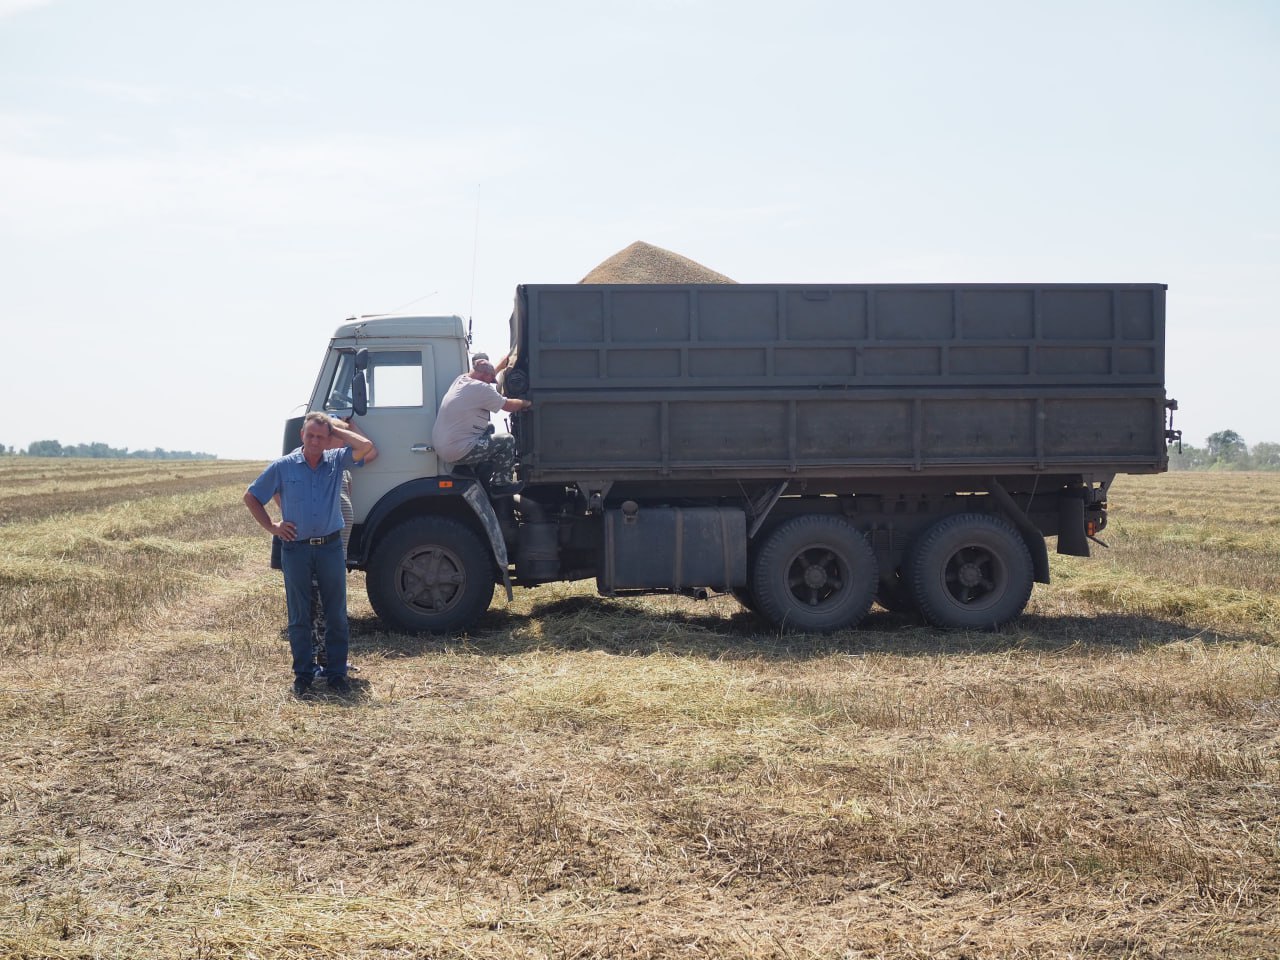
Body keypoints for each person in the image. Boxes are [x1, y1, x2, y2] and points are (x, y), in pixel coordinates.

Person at [244, 412, 377, 698]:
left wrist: (338, 432)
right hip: (296, 549)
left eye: (321, 436)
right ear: (301, 436)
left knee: (336, 614)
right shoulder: (283, 466)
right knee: (300, 615)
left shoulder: (336, 461)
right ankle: (303, 675)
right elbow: (252, 496)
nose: (315, 441)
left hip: (330, 547)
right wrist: (272, 526)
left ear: (328, 438)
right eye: (310, 435)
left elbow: (365, 446)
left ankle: (336, 674)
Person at [432, 351, 531, 496]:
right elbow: (508, 405)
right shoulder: (480, 389)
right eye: (491, 380)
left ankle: (465, 467)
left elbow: (484, 377)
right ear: (484, 377)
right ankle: (500, 484)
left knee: (488, 428)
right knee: (507, 441)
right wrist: (526, 402)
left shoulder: (462, 380)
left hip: (445, 445)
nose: (491, 384)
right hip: (456, 450)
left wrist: (498, 368)